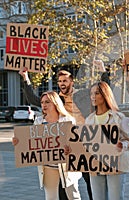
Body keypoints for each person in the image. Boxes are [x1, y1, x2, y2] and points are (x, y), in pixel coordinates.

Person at [19, 68, 93, 200]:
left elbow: (100, 94)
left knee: (89, 182)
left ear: (71, 81)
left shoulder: (82, 95)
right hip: (58, 152)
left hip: (83, 144)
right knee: (61, 188)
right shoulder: (55, 98)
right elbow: (34, 99)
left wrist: (103, 72)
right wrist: (26, 77)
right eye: (59, 81)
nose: (61, 84)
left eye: (65, 81)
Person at [12, 91, 82, 200]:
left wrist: (70, 149)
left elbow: (77, 145)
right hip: (48, 167)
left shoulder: (68, 120)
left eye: (47, 102)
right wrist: (19, 143)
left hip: (67, 166)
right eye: (42, 102)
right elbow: (32, 142)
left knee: (73, 196)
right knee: (50, 198)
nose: (44, 105)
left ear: (55, 103)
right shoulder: (39, 122)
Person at [85, 81, 129, 200]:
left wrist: (122, 145)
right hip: (95, 166)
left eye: (97, 93)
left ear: (105, 95)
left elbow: (128, 141)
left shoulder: (118, 117)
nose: (93, 97)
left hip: (115, 165)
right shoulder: (88, 120)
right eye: (91, 94)